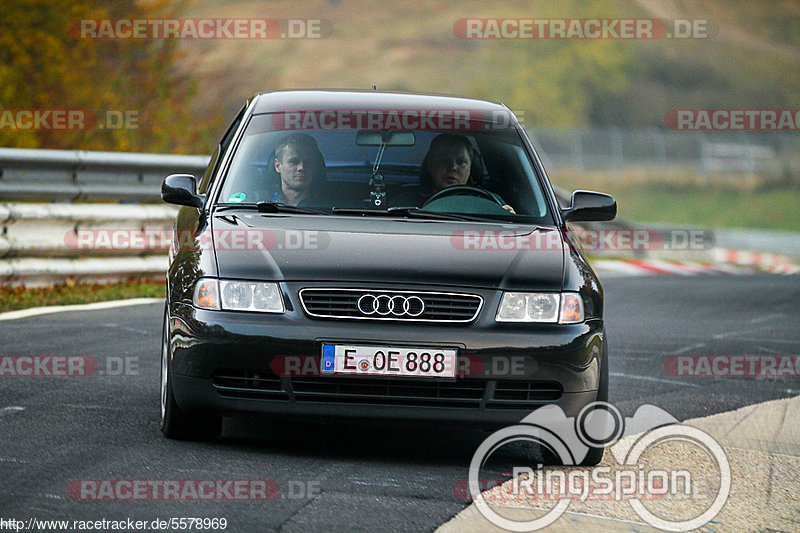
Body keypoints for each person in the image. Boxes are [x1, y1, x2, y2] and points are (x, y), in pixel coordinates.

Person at [397, 134, 514, 212]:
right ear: (430, 164)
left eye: (461, 162)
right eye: (444, 160)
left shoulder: (492, 202)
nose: (452, 167)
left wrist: (508, 218)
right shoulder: (405, 204)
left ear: (471, 167)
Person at [269, 133, 327, 206]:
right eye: (294, 162)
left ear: (315, 167)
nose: (301, 167)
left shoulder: (329, 207)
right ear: (277, 166)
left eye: (308, 162)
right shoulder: (257, 204)